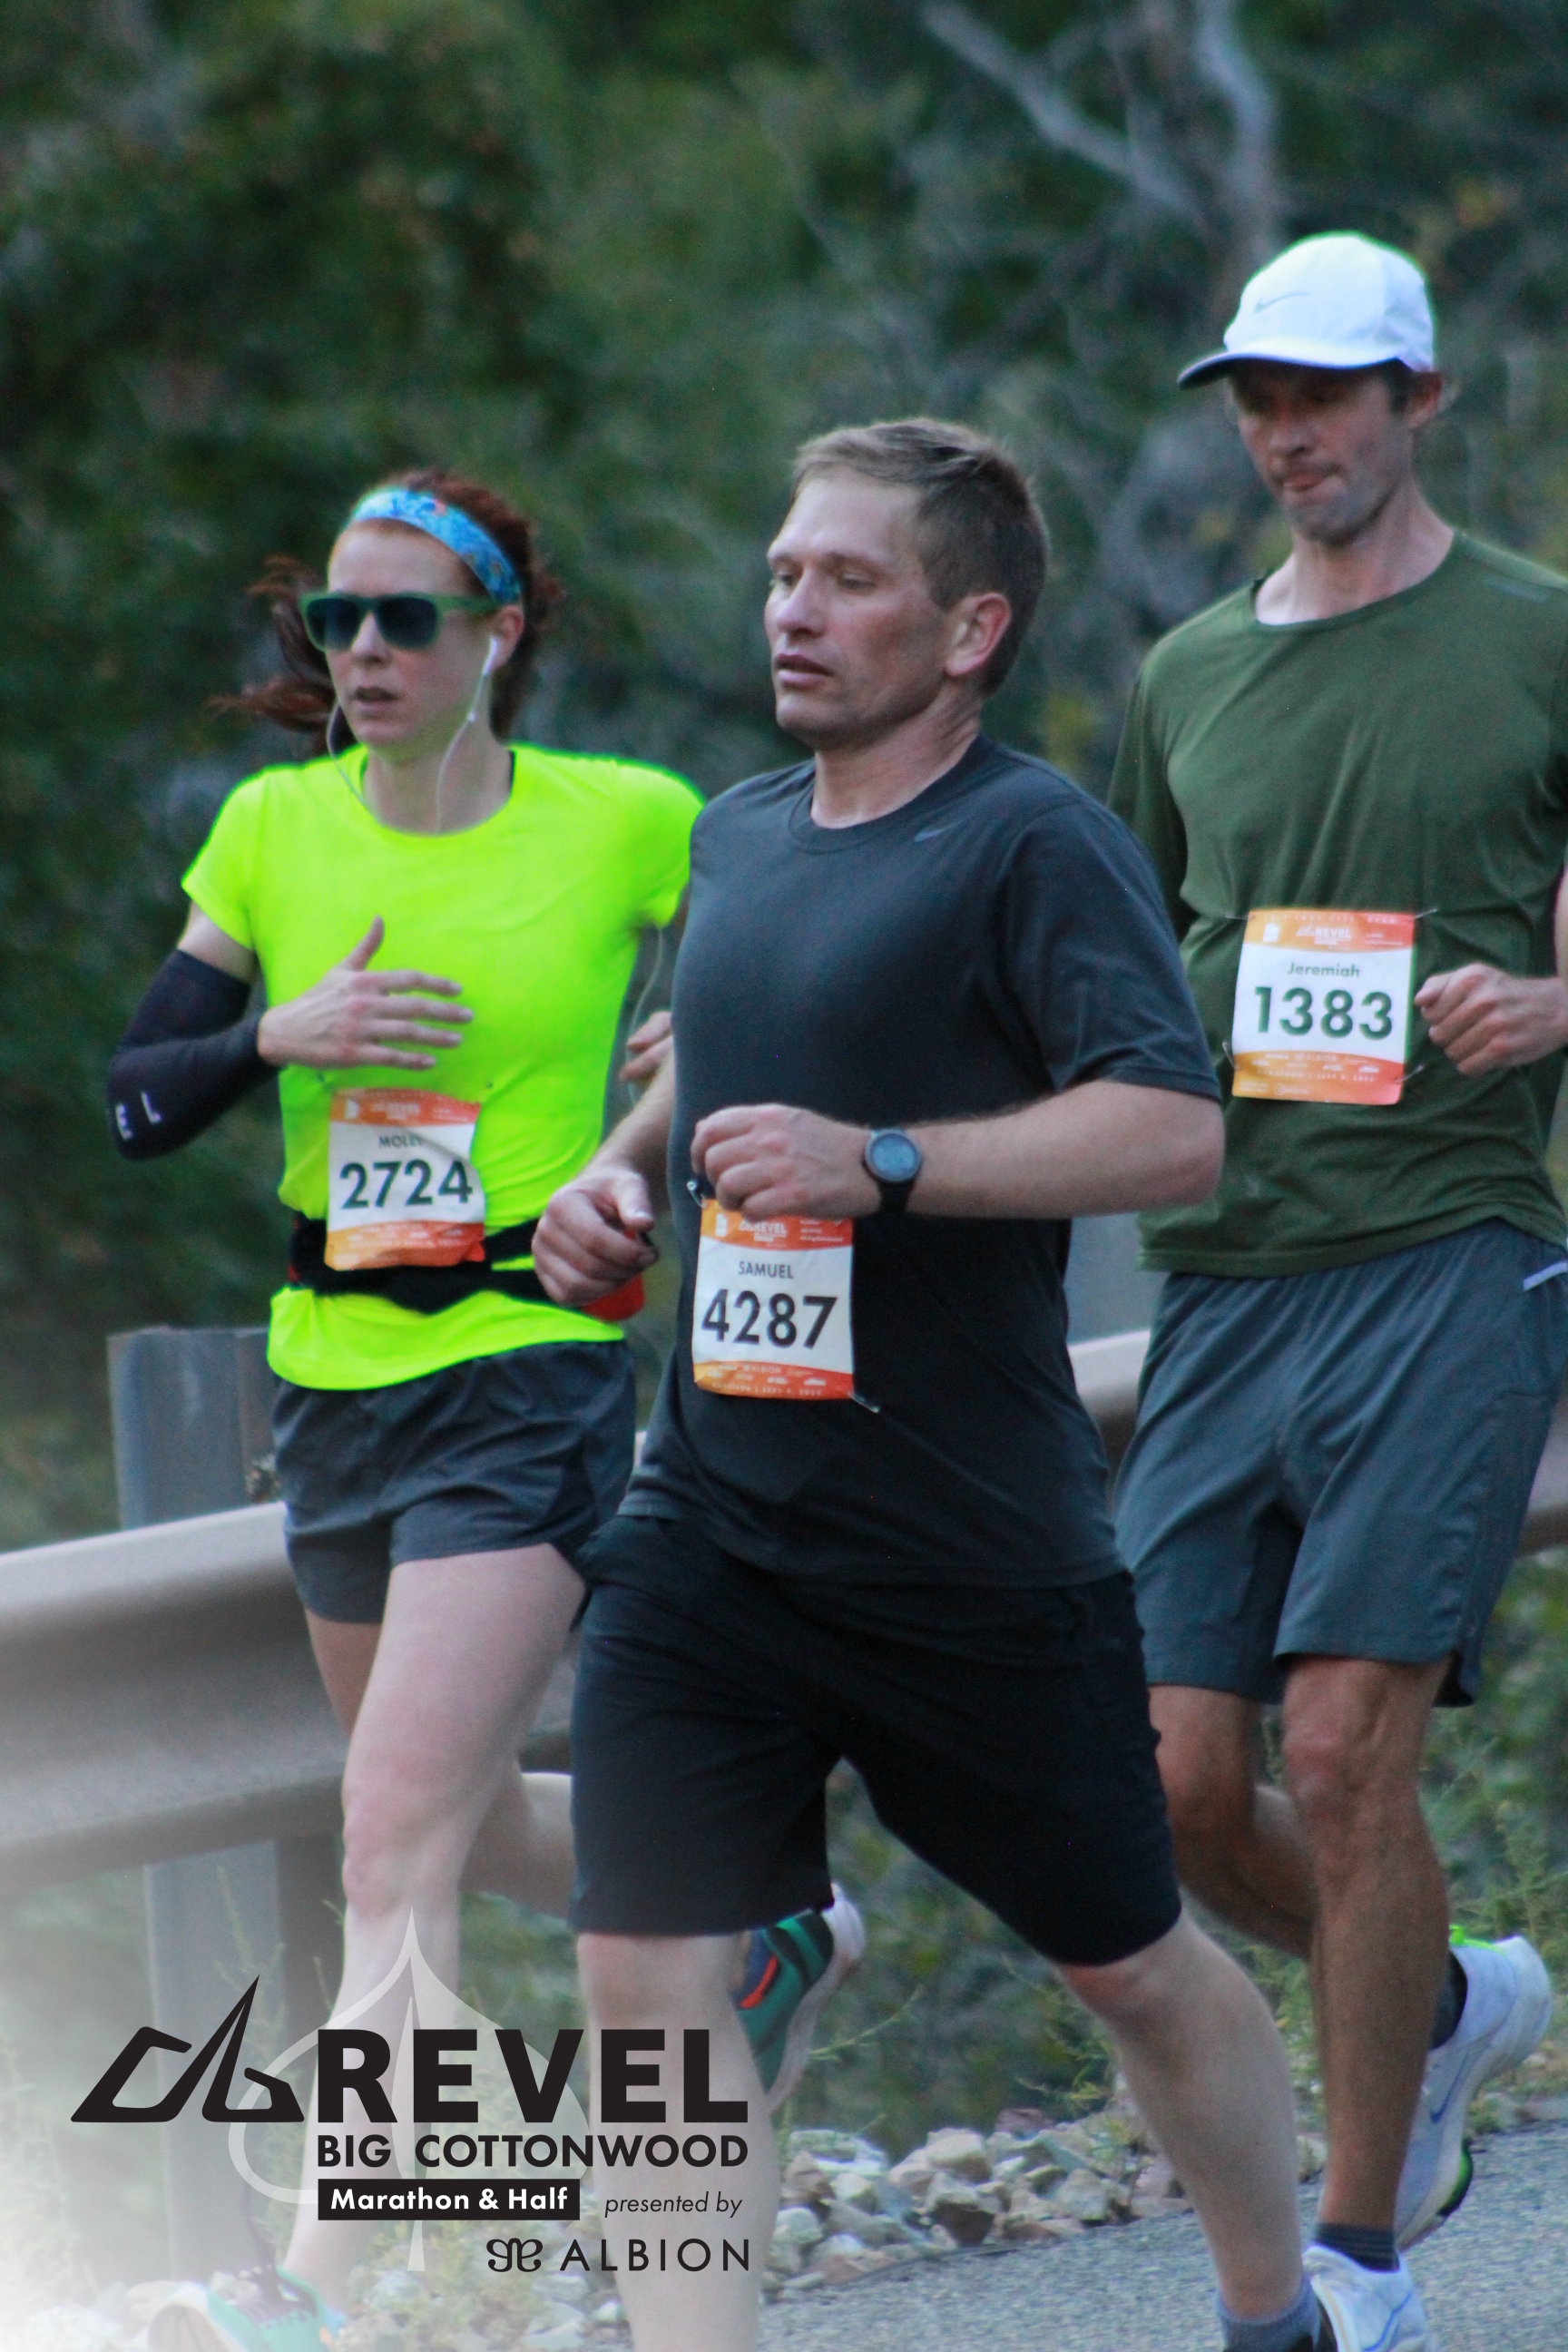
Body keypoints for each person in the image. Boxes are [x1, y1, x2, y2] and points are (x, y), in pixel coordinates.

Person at [534, 419, 1332, 2352]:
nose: (793, 610)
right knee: (644, 1973)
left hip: (963, 1545)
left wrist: (882, 1162)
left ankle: (1278, 2315)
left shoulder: (1031, 843)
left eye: (849, 579)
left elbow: (1173, 1131)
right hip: (713, 1519)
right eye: (784, 572)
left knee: (1131, 1969)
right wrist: (618, 1176)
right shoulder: (737, 836)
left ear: (970, 629)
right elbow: (719, 1062)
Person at [108, 472, 852, 2351]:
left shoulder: (625, 820)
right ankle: (765, 1926)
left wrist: (679, 1079)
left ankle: (317, 2287)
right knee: (445, 1815)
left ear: (498, 635)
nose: (362, 652)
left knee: (387, 1845)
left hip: (527, 1366)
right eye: (335, 622)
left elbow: (814, 947)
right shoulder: (272, 830)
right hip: (331, 1379)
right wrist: (274, 1036)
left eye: (405, 620)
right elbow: (136, 1095)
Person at [1108, 230, 1568, 2352]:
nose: (1288, 433)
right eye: (1259, 401)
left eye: (1324, 395)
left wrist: (1551, 1007)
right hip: (1226, 1275)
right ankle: (1444, 2003)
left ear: (1417, 403)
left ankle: (1362, 2258)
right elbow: (1116, 976)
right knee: (1175, 1782)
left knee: (1347, 1744)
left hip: (1447, 1246)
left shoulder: (1538, 636)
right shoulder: (1187, 676)